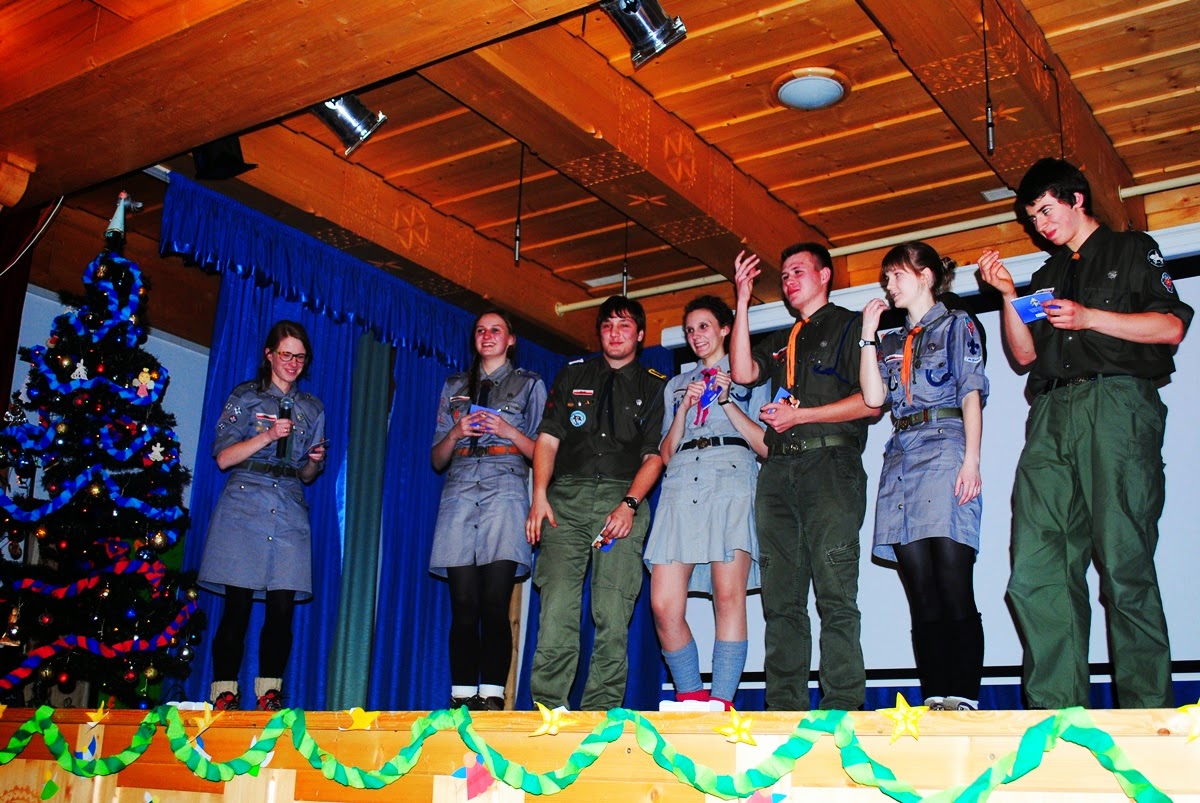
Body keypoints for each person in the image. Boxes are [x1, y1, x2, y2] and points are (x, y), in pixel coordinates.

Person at [979, 158, 1191, 709]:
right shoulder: (1045, 276)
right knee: (1036, 567)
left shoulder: (1131, 249)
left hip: (1116, 405)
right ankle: (1056, 714)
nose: (1041, 225)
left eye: (1047, 211)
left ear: (1077, 199)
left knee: (1124, 564)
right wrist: (1006, 295)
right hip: (1050, 414)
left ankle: (1147, 714)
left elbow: (1171, 326)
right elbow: (1025, 356)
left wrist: (1090, 317)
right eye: (1032, 218)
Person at [729, 244, 876, 711]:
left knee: (835, 594)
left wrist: (802, 416)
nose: (789, 280)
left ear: (825, 275)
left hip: (830, 466)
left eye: (798, 271)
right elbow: (741, 372)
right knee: (780, 600)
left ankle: (842, 706)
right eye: (784, 275)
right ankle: (783, 709)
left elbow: (871, 402)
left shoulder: (851, 325)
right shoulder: (784, 336)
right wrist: (742, 299)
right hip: (777, 471)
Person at [859, 242, 988, 711]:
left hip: (945, 445)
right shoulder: (892, 340)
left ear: (926, 276)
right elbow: (874, 399)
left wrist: (971, 460)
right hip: (901, 457)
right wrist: (868, 335)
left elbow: (971, 393)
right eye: (886, 277)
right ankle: (936, 695)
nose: (888, 284)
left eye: (896, 274)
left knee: (952, 580)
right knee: (920, 590)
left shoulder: (957, 324)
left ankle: (964, 695)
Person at [525, 296, 666, 710]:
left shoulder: (655, 384)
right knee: (556, 607)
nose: (615, 334)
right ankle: (548, 709)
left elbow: (655, 455)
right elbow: (547, 439)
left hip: (620, 501)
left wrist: (629, 505)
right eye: (607, 326)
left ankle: (600, 714)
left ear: (640, 335)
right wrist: (538, 497)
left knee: (611, 610)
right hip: (564, 501)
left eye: (624, 326)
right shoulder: (573, 374)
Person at [645, 295, 769, 709]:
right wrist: (683, 408)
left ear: (724, 329)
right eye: (689, 330)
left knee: (727, 596)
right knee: (663, 605)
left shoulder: (749, 374)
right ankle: (691, 697)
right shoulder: (675, 385)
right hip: (681, 483)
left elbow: (765, 445)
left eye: (704, 326)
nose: (696, 336)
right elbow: (665, 454)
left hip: (730, 478)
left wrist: (728, 399)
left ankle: (721, 702)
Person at [198, 320, 327, 711]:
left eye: (300, 357)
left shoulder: (312, 408)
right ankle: (224, 693)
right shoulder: (246, 397)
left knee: (282, 610)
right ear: (269, 354)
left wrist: (314, 461)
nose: (293, 363)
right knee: (237, 607)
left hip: (289, 507)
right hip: (245, 504)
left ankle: (270, 694)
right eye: (286, 354)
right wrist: (268, 436)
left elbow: (307, 474)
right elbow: (224, 458)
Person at [430, 310, 546, 711]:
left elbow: (543, 453)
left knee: (495, 605)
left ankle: (493, 696)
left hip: (505, 491)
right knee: (463, 607)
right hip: (460, 492)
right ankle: (462, 699)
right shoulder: (454, 386)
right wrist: (456, 432)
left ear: (511, 339)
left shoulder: (529, 384)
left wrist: (508, 431)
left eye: (496, 329)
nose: (487, 335)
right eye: (480, 330)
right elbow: (437, 459)